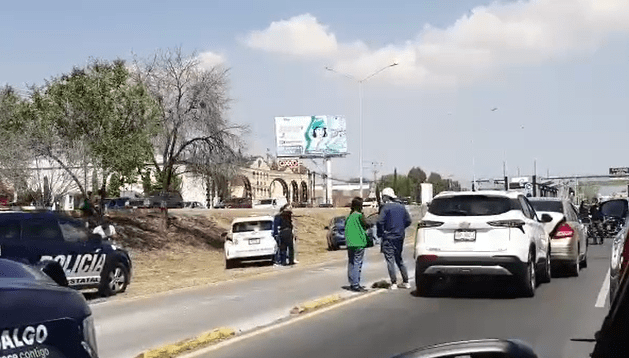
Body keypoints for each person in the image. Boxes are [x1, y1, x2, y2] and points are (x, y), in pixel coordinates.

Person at [377, 187, 412, 289]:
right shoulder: (401, 207)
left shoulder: (385, 208)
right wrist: (401, 228)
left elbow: (380, 221)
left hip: (388, 237)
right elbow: (408, 220)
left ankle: (394, 283)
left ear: (386, 197)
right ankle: (406, 281)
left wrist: (381, 232)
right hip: (400, 236)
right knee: (399, 259)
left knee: (390, 260)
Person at [345, 197, 369, 292]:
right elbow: (365, 225)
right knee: (357, 263)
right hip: (359, 242)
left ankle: (352, 282)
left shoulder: (349, 217)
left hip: (350, 242)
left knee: (351, 263)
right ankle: (356, 284)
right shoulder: (360, 216)